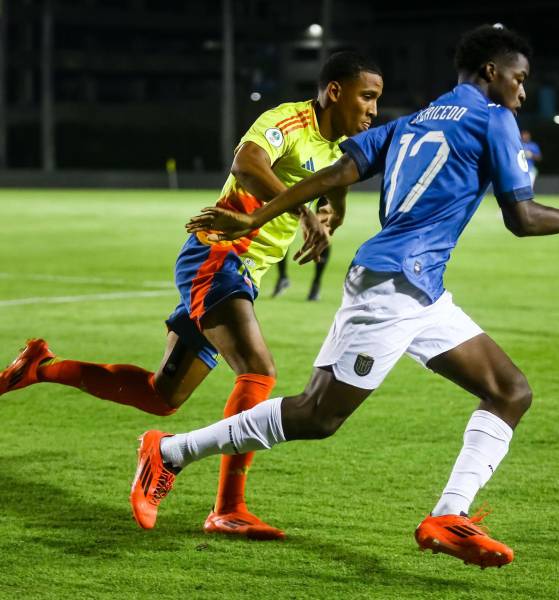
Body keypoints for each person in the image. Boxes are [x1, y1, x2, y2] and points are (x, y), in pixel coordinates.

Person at [130, 25, 559, 568]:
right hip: (392, 286)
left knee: (510, 391)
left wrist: (260, 213)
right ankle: (169, 452)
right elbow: (521, 218)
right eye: (519, 79)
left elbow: (337, 171)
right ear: (490, 73)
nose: (522, 93)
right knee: (318, 415)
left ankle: (449, 515)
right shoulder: (494, 119)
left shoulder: (413, 120)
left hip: (421, 287)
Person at [0, 51, 384, 539]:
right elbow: (247, 163)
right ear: (335, 91)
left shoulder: (338, 147)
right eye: (366, 97)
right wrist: (306, 214)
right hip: (216, 258)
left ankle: (40, 366)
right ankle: (228, 507)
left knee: (162, 395)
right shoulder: (287, 120)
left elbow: (335, 176)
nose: (373, 109)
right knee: (258, 371)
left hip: (240, 273)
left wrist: (334, 208)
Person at [272, 199, 332, 301]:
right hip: (298, 186)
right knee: (281, 228)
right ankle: (283, 277)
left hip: (322, 187)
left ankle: (316, 283)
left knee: (322, 230)